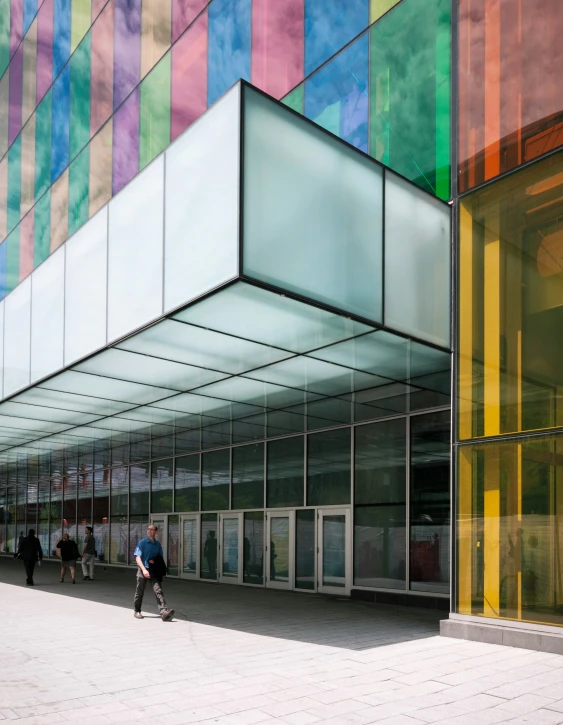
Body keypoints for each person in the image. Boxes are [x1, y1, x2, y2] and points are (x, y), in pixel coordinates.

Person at [133, 525, 174, 621]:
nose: (149, 531)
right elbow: (137, 558)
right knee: (139, 592)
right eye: (148, 529)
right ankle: (137, 610)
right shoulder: (142, 543)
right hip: (143, 569)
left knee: (158, 590)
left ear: (156, 532)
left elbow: (160, 558)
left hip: (153, 571)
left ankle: (164, 612)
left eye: (152, 529)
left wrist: (155, 560)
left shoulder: (157, 544)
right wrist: (143, 570)